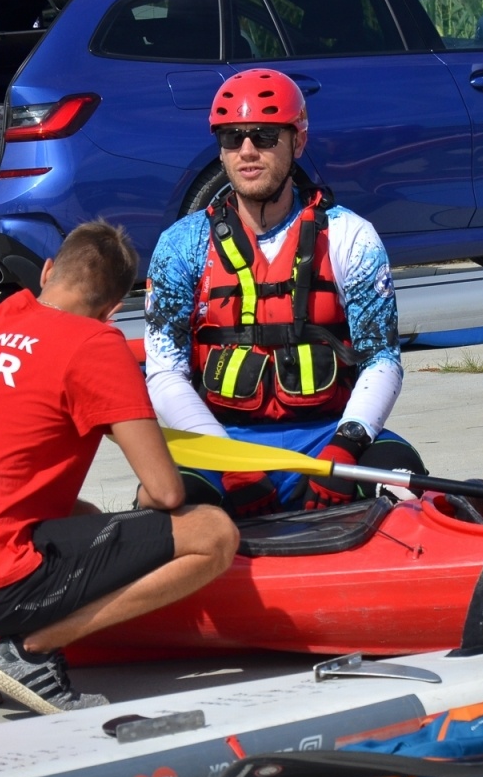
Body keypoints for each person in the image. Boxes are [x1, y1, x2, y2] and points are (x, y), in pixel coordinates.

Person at [0, 222, 239, 715]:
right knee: (212, 532)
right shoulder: (95, 343)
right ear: (112, 310)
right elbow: (164, 492)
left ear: (47, 272)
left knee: (79, 511)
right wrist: (142, 522)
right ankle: (30, 653)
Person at [145, 69, 427, 516]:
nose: (248, 151)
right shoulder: (180, 246)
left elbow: (382, 359)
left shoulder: (352, 236)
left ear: (298, 142)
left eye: (264, 136)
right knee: (157, 503)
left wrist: (347, 445)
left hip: (326, 437)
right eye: (232, 138)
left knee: (405, 486)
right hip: (222, 442)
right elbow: (164, 372)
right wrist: (230, 461)